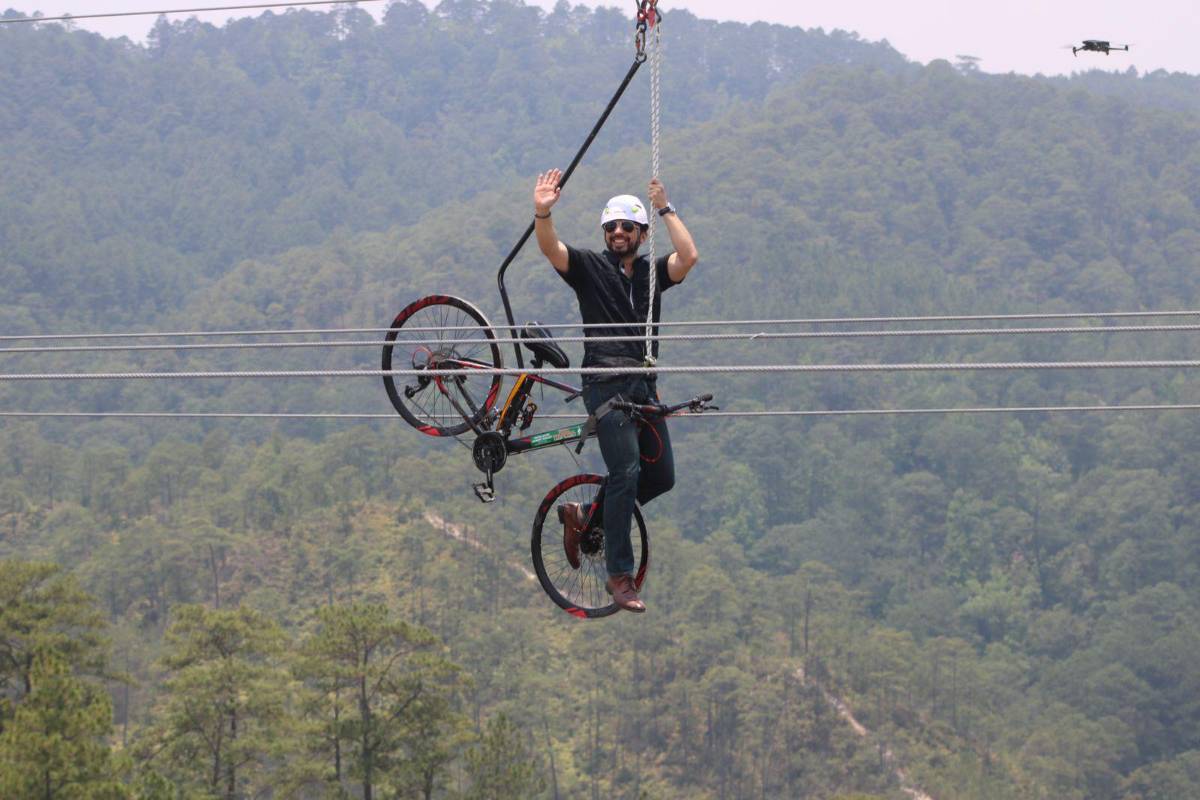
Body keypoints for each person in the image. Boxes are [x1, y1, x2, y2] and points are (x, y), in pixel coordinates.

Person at [533, 168, 699, 612]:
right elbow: (552, 248)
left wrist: (664, 207)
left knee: (661, 477)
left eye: (627, 226)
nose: (619, 233)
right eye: (612, 227)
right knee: (625, 471)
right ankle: (619, 576)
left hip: (643, 386)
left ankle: (588, 516)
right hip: (606, 384)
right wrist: (542, 213)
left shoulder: (650, 275)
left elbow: (689, 255)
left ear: (642, 234)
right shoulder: (588, 268)